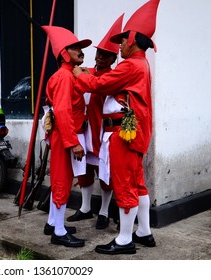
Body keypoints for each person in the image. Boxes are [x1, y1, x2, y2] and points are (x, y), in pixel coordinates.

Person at [72, 0, 160, 255]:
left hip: (123, 135)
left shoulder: (131, 65)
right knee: (138, 184)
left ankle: (124, 240)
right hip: (128, 133)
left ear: (133, 39)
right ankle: (143, 232)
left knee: (125, 186)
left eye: (122, 40)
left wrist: (81, 76)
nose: (119, 44)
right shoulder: (137, 65)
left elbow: (101, 84)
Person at [67, 14, 124, 230]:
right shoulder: (85, 72)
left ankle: (103, 211)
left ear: (112, 59)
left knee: (105, 173)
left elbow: (98, 86)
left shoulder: (113, 77)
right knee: (83, 170)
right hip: (84, 130)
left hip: (102, 132)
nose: (100, 57)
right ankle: (85, 208)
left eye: (106, 55)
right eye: (99, 53)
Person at [41, 25, 92, 247]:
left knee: (60, 181)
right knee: (62, 181)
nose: (81, 51)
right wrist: (74, 143)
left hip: (64, 135)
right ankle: (59, 233)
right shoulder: (65, 77)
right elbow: (63, 111)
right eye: (75, 48)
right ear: (64, 53)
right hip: (65, 136)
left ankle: (53, 223)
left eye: (81, 47)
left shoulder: (68, 75)